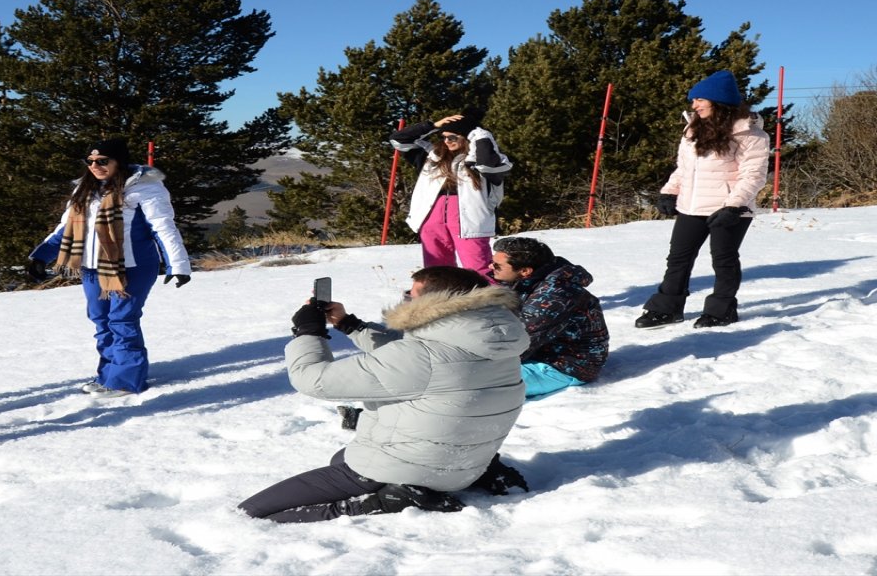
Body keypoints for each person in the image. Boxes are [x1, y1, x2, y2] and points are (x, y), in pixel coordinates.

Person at [238, 266, 530, 523]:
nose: (406, 300)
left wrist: (307, 333)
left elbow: (313, 380)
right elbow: (415, 357)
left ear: (433, 303)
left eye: (411, 295)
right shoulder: (492, 338)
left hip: (413, 468)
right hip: (465, 465)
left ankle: (387, 501)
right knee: (341, 457)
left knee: (251, 512)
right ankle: (454, 479)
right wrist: (348, 324)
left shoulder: (421, 357)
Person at [28, 139, 192, 398]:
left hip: (132, 267)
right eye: (90, 161)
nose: (95, 166)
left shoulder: (145, 189)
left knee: (122, 320)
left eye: (103, 161)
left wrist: (178, 264)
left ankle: (125, 381)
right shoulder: (85, 189)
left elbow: (163, 227)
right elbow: (65, 227)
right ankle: (109, 373)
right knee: (101, 321)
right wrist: (41, 256)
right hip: (93, 267)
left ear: (119, 162)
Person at [635, 70, 771, 329]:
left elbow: (753, 175)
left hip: (729, 208)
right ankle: (667, 308)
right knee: (678, 258)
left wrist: (734, 205)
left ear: (719, 102)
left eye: (700, 99)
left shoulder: (751, 135)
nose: (694, 105)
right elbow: (684, 168)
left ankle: (721, 309)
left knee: (723, 259)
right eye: (693, 100)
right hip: (691, 205)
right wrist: (669, 191)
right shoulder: (692, 129)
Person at [389, 109, 512, 281]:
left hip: (470, 220)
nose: (447, 141)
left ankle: (491, 304)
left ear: (467, 136)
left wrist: (479, 133)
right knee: (436, 270)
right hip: (431, 217)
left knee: (478, 268)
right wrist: (433, 125)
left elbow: (490, 166)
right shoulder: (432, 156)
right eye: (444, 137)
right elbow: (398, 139)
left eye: (452, 137)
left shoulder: (483, 158)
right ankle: (442, 303)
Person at [490, 237, 609, 400]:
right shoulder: (525, 281)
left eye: (497, 265)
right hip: (540, 351)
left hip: (566, 366)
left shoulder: (554, 297)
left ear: (525, 271)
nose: (491, 267)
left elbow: (520, 341)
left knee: (472, 383)